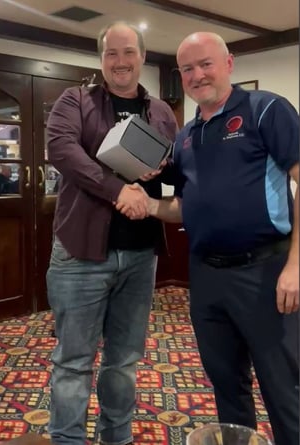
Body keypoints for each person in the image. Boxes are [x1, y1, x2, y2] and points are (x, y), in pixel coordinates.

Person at [131, 32, 299, 445]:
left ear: (228, 63)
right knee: (227, 387)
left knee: (284, 390)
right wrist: (150, 205)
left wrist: (296, 265)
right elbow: (189, 205)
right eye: (187, 69)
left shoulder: (267, 110)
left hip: (266, 272)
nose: (196, 75)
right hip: (205, 277)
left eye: (205, 63)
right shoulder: (187, 136)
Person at [45, 22, 178, 445]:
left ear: (142, 55)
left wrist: (163, 169)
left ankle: (116, 438)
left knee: (124, 362)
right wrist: (119, 188)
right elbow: (62, 151)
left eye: (128, 53)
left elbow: (173, 167)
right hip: (80, 253)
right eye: (111, 54)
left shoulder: (161, 112)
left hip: (141, 256)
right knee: (73, 363)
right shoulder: (75, 100)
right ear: (101, 59)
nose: (120, 62)